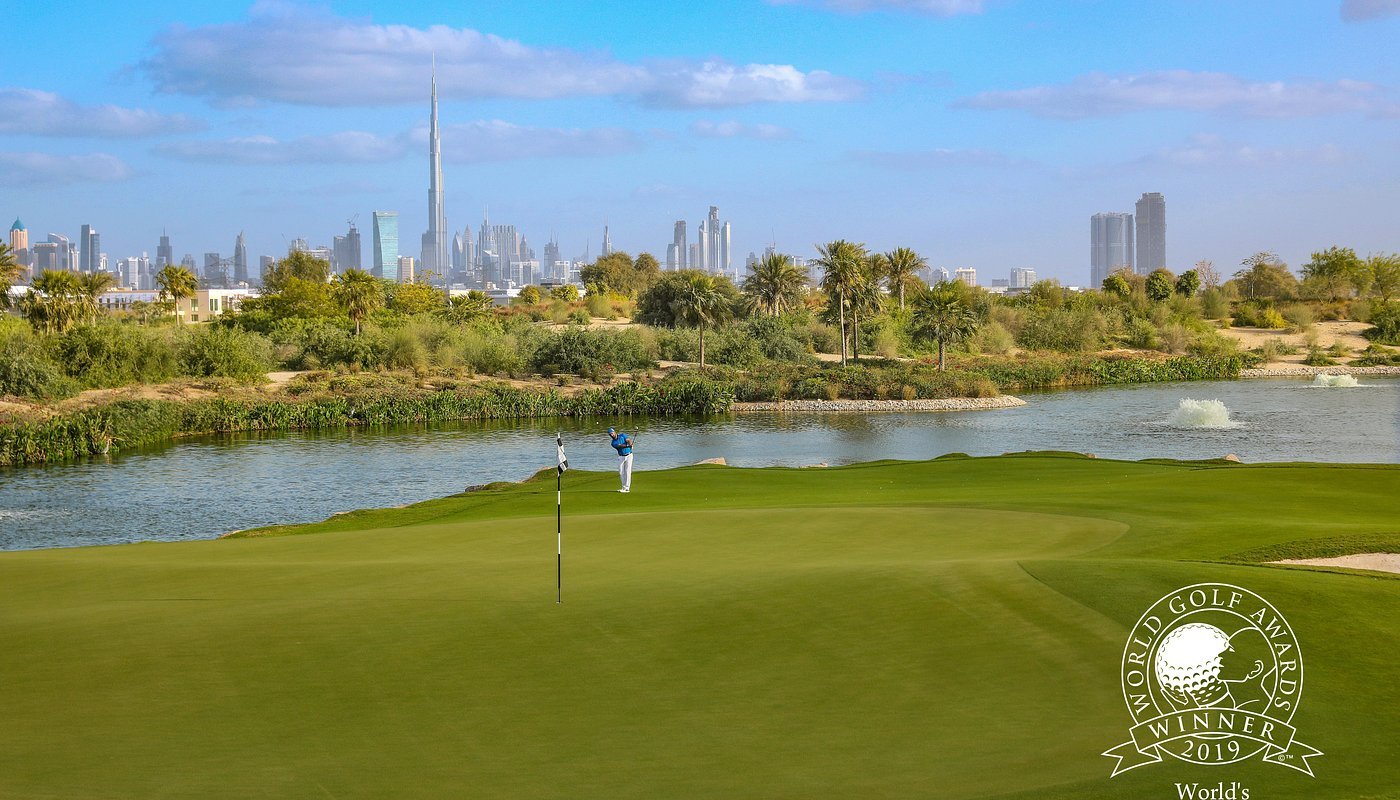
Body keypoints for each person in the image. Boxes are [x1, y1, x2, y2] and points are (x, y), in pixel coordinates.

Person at [607, 427, 633, 493]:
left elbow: (628, 440)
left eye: (612, 433)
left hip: (629, 455)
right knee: (621, 472)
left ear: (615, 432)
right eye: (610, 434)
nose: (611, 435)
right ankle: (623, 487)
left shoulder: (622, 435)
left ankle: (627, 488)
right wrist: (628, 445)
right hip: (621, 457)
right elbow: (620, 446)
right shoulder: (613, 443)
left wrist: (630, 443)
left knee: (627, 471)